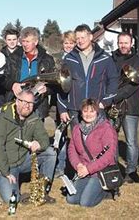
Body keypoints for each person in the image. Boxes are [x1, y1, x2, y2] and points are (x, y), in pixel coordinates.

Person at [0, 90, 57, 203]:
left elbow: (44, 139)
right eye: (24, 102)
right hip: (7, 164)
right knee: (11, 199)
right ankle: (2, 184)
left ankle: (43, 190)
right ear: (17, 101)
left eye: (30, 103)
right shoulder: (2, 119)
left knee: (51, 153)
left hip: (24, 160)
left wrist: (39, 144)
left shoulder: (34, 118)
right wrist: (6, 172)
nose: (27, 106)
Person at [57, 24, 118, 128]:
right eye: (77, 38)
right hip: (75, 109)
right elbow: (61, 84)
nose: (80, 41)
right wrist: (62, 109)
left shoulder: (104, 58)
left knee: (97, 141)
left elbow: (113, 81)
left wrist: (105, 102)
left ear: (90, 37)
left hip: (97, 108)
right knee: (77, 142)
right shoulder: (69, 59)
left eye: (83, 37)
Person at [66, 98, 118, 207]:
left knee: (86, 202)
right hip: (83, 170)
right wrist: (78, 165)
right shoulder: (76, 129)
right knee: (71, 199)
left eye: (92, 111)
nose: (88, 114)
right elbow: (72, 150)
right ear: (81, 112)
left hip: (100, 172)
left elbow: (109, 155)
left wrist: (89, 169)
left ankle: (107, 191)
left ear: (97, 112)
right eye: (85, 111)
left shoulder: (106, 127)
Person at [111, 32, 139, 183]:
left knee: (131, 140)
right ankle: (113, 168)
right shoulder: (111, 59)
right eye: (121, 43)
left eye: (126, 43)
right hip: (112, 106)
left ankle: (131, 171)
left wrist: (114, 96)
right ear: (117, 43)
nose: (123, 45)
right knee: (111, 138)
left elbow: (133, 86)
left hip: (131, 106)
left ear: (131, 44)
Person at [4, 27, 55, 120]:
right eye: (23, 41)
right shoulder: (12, 58)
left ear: (36, 42)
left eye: (28, 41)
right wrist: (12, 84)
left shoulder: (47, 60)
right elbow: (4, 79)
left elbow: (54, 85)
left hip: (38, 106)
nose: (24, 44)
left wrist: (47, 90)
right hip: (16, 103)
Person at [54, 30, 77, 177]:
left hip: (74, 101)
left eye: (71, 43)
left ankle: (73, 166)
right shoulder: (57, 60)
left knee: (75, 137)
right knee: (61, 135)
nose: (68, 45)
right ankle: (60, 166)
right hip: (61, 101)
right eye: (66, 43)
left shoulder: (77, 59)